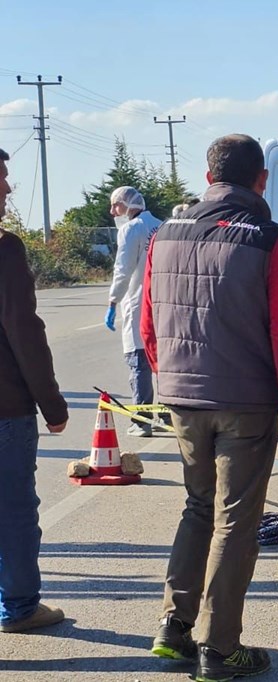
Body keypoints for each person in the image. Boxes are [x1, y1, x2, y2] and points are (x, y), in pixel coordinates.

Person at [142, 134, 278, 679]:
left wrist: (171, 378)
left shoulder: (163, 234)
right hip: (245, 401)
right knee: (236, 521)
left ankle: (173, 629)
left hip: (183, 397)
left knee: (197, 508)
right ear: (262, 181)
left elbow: (149, 325)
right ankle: (219, 648)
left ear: (208, 174)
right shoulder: (269, 239)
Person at [0, 146, 69, 635]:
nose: (7, 188)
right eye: (1, 178)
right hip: (5, 409)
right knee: (15, 511)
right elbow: (23, 330)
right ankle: (20, 606)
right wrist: (52, 402)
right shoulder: (4, 249)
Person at [106, 186, 164, 437]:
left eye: (116, 205)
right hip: (163, 305)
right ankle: (166, 415)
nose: (112, 211)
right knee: (163, 363)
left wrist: (112, 301)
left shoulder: (131, 229)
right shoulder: (162, 226)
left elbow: (123, 270)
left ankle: (141, 421)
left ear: (129, 205)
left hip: (140, 303)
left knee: (139, 361)